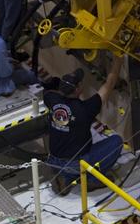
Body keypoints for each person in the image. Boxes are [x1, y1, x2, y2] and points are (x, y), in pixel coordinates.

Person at [44, 61, 123, 196]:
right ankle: (91, 180)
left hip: (54, 159)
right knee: (116, 141)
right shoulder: (85, 109)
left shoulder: (51, 99)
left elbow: (48, 90)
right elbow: (109, 85)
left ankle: (66, 177)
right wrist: (118, 61)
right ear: (78, 89)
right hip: (75, 163)